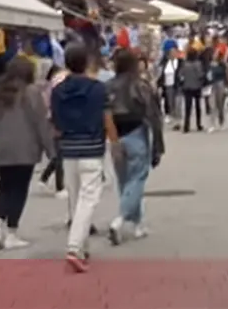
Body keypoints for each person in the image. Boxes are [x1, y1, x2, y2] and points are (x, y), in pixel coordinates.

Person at [51, 43, 120, 273]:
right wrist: (115, 143)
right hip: (92, 148)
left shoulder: (57, 91)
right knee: (88, 199)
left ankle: (82, 248)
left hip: (68, 148)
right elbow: (107, 118)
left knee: (75, 197)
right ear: (87, 63)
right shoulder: (98, 89)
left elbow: (55, 124)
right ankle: (73, 247)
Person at [0, 56, 55, 250]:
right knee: (19, 189)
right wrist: (50, 148)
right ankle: (11, 233)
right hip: (25, 147)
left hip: (2, 147)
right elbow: (41, 122)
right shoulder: (31, 92)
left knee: (4, 186)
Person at [106, 49, 164, 246]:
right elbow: (154, 115)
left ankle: (137, 224)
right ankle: (120, 219)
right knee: (137, 179)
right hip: (136, 134)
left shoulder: (107, 87)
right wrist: (158, 144)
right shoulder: (140, 85)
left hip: (115, 136)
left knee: (125, 182)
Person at [39, 65, 68, 198]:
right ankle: (59, 187)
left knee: (58, 154)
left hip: (53, 121)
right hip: (55, 122)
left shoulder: (48, 88)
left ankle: (44, 178)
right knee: (59, 155)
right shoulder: (53, 89)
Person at [179, 48, 205, 133]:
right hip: (197, 87)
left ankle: (186, 125)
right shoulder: (198, 64)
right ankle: (198, 124)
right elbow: (200, 75)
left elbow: (181, 75)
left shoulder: (184, 64)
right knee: (198, 107)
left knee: (187, 108)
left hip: (187, 87)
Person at [158, 48, 181, 123]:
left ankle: (177, 117)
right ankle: (170, 115)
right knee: (169, 101)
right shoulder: (165, 63)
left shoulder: (179, 62)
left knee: (177, 101)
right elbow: (161, 73)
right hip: (167, 84)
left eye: (175, 53)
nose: (173, 54)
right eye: (172, 53)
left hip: (177, 84)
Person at [208, 50, 228, 130]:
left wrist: (227, 86)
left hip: (220, 84)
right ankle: (212, 123)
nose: (214, 56)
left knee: (220, 105)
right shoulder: (211, 65)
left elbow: (226, 75)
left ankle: (221, 120)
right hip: (212, 85)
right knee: (212, 105)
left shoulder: (223, 65)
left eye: (215, 54)